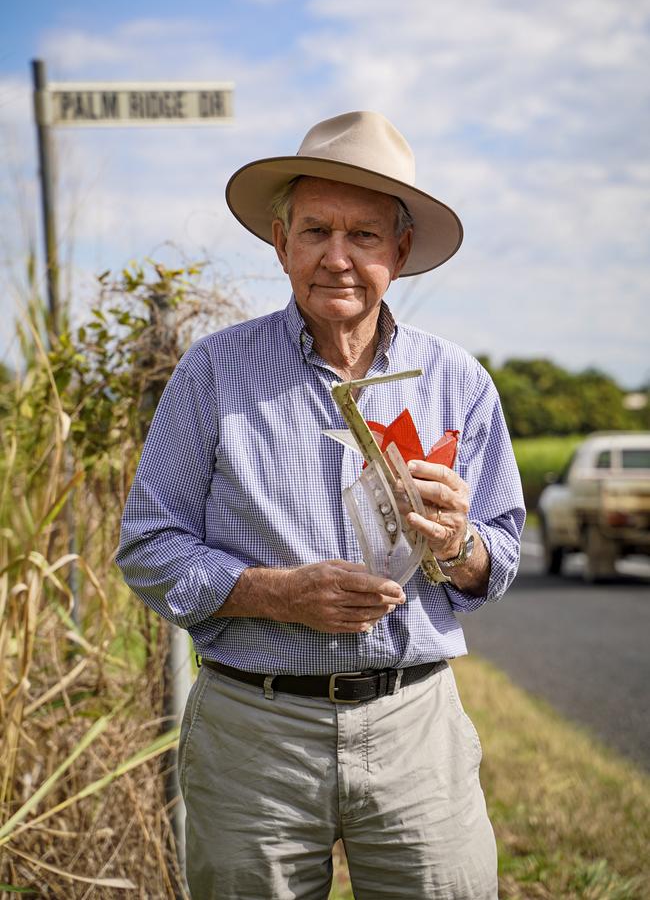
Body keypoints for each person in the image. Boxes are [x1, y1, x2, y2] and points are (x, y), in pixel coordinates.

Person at [117, 110, 525, 900]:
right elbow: (147, 544)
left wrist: (458, 542)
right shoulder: (213, 374)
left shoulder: (458, 381)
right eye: (315, 232)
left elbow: (498, 556)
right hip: (253, 735)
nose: (337, 258)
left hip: (416, 729)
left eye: (364, 236)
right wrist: (275, 594)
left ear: (400, 252)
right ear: (281, 242)